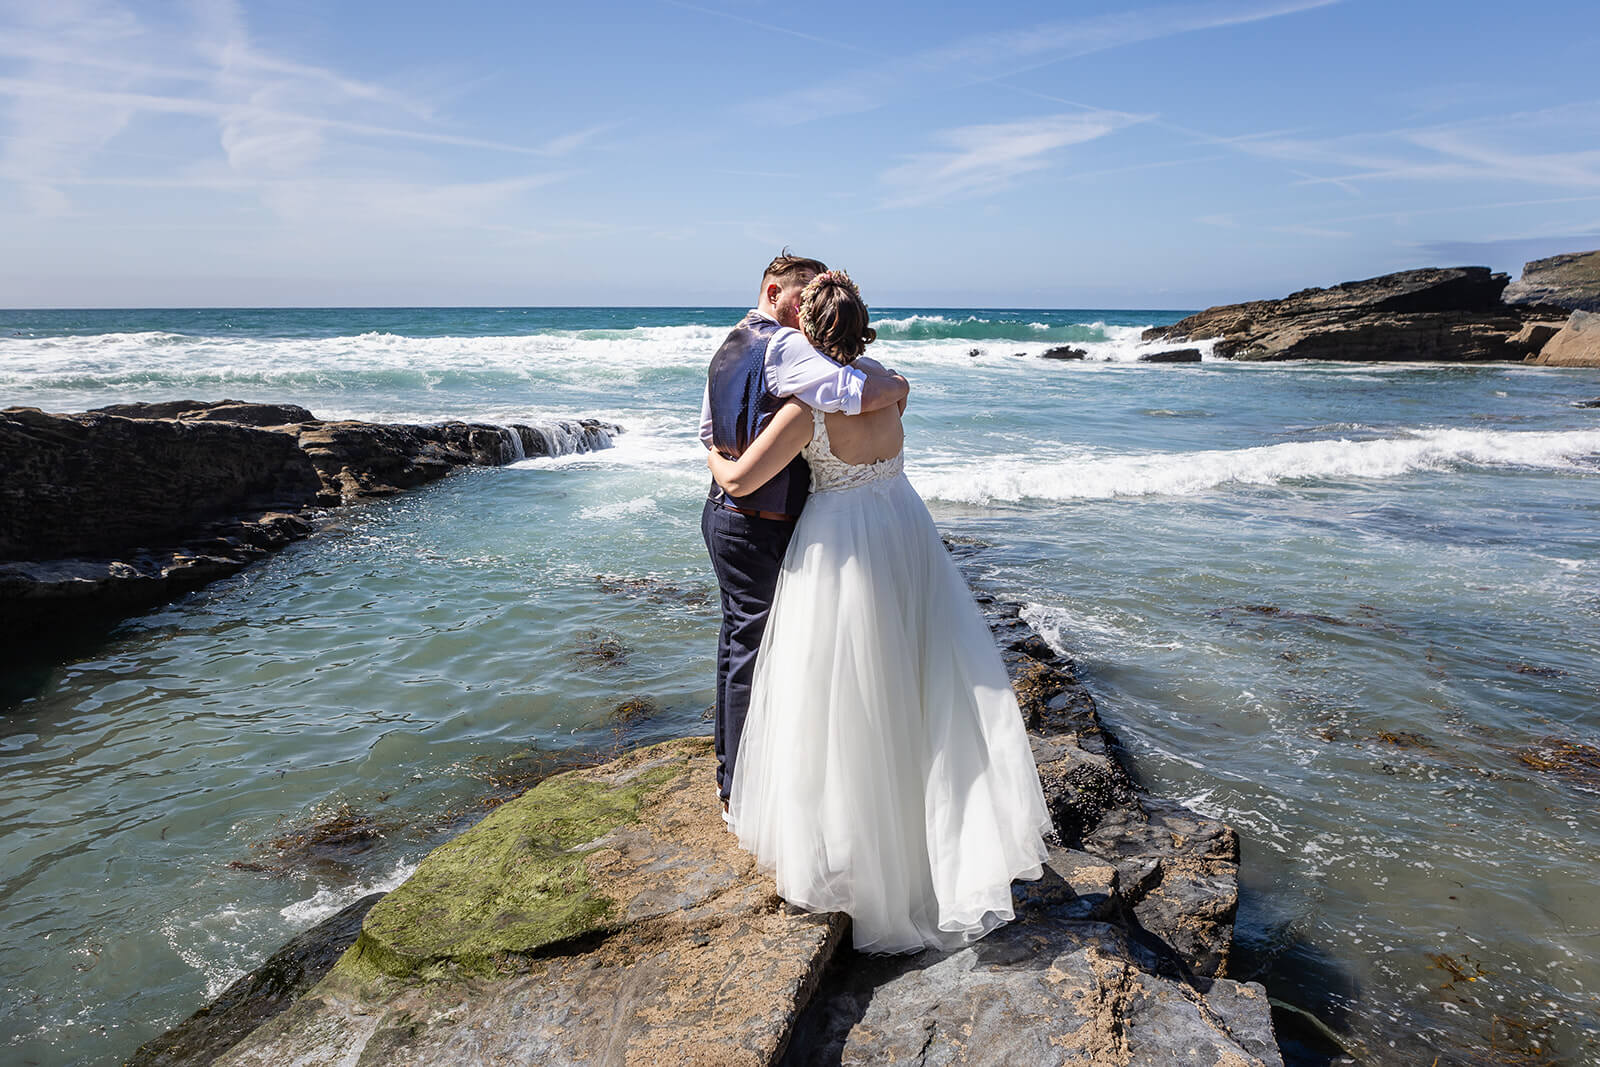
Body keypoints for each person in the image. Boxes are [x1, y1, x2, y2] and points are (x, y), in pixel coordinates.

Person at [706, 271, 1051, 953]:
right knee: (915, 683)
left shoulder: (808, 405)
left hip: (839, 544)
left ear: (806, 329)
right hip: (902, 530)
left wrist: (713, 456)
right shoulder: (887, 389)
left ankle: (853, 853)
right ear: (861, 325)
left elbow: (744, 477)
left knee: (837, 701)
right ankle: (933, 843)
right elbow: (890, 391)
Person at [700, 253, 909, 812]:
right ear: (775, 292)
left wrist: (714, 461)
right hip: (765, 521)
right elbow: (857, 393)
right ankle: (740, 783)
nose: (803, 311)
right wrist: (896, 383)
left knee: (745, 647)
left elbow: (708, 429)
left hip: (733, 515)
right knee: (764, 651)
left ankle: (737, 775)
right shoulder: (789, 349)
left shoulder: (730, 344)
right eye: (800, 296)